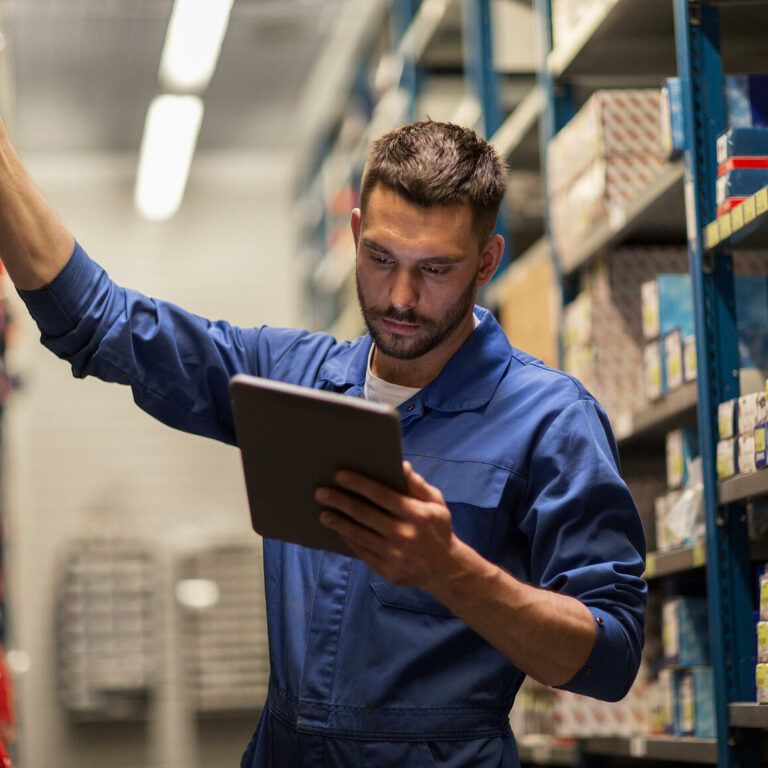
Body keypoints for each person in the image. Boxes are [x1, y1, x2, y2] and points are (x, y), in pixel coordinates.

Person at [1, 119, 646, 767]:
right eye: (382, 259)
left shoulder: (552, 420)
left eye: (437, 270)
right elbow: (103, 325)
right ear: (357, 233)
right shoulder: (294, 381)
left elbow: (610, 658)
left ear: (486, 261)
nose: (400, 297)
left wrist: (449, 570)